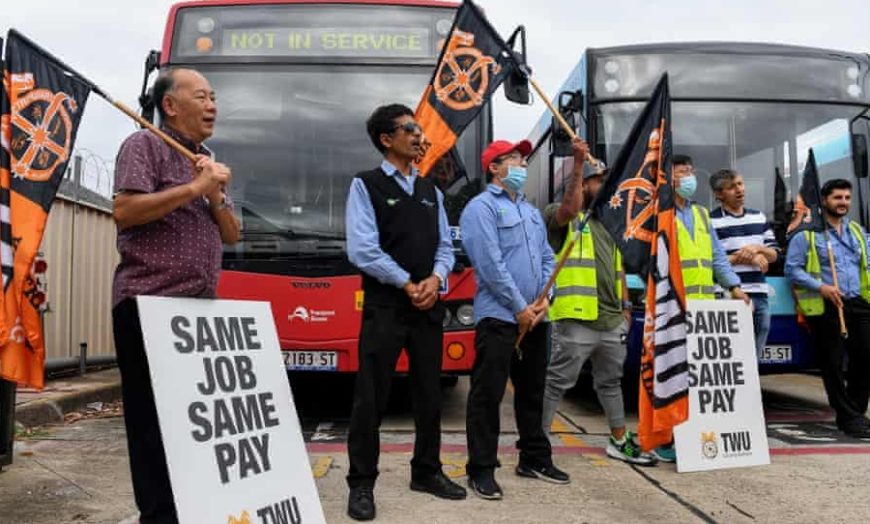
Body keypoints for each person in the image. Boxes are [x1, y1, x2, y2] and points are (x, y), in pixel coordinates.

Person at [112, 68, 241, 524]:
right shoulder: (143, 146)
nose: (213, 106)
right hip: (148, 304)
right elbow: (124, 211)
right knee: (151, 426)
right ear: (170, 105)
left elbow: (232, 236)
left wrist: (215, 195)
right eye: (202, 96)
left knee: (193, 424)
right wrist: (193, 188)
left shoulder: (206, 158)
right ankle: (159, 516)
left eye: (214, 97)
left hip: (198, 314)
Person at [344, 104, 465, 521]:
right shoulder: (367, 185)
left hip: (428, 307)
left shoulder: (431, 191)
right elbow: (362, 248)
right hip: (386, 307)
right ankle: (361, 484)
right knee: (371, 397)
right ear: (386, 139)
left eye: (417, 128)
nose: (418, 135)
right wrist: (407, 283)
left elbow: (446, 246)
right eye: (409, 129)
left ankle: (427, 471)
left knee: (429, 393)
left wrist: (435, 279)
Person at [460, 139, 569, 501]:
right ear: (494, 167)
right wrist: (519, 307)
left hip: (536, 318)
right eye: (514, 159)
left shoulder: (531, 212)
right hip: (499, 318)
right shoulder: (481, 209)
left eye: (523, 158)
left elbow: (546, 258)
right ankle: (481, 469)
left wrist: (544, 301)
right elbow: (489, 264)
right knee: (487, 395)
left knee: (533, 392)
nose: (522, 164)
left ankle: (534, 458)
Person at [541, 138, 656, 466]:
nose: (604, 187)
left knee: (610, 383)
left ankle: (619, 439)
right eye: (598, 181)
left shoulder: (612, 223)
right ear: (582, 184)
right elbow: (569, 209)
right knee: (557, 382)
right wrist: (578, 164)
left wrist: (625, 308)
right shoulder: (561, 216)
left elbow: (618, 268)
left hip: (610, 320)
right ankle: (539, 440)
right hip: (577, 319)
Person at [653, 154, 749, 463]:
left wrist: (735, 287)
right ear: (669, 179)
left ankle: (696, 438)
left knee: (699, 379)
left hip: (704, 309)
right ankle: (666, 439)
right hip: (672, 308)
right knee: (671, 379)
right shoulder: (660, 215)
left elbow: (718, 257)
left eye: (691, 172)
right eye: (682, 173)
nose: (689, 178)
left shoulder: (702, 216)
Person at [785, 179, 870, 438]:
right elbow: (792, 269)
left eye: (846, 198)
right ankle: (849, 417)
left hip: (858, 302)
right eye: (837, 198)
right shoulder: (807, 234)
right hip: (826, 305)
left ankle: (855, 412)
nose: (843, 202)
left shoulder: (857, 231)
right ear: (824, 201)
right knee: (832, 363)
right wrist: (821, 287)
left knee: (865, 359)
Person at [709, 169, 779, 356]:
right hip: (726, 294)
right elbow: (710, 262)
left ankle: (752, 382)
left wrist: (757, 248)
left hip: (759, 293)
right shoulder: (710, 221)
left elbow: (773, 255)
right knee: (731, 349)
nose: (739, 190)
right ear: (718, 194)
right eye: (732, 187)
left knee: (756, 345)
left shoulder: (759, 216)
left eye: (740, 184)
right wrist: (747, 256)